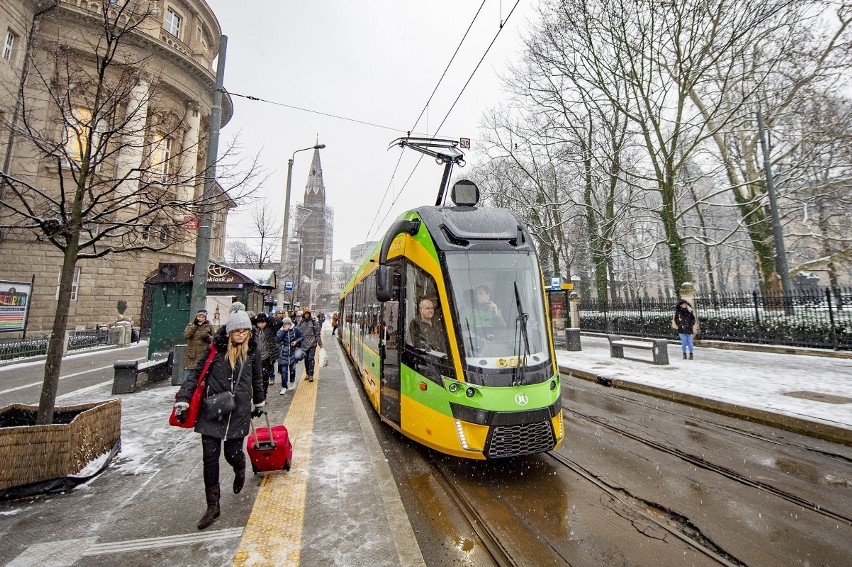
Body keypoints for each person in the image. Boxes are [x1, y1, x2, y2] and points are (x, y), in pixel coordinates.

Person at [174, 303, 265, 530]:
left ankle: (240, 466)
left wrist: (260, 402)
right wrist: (183, 397)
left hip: (238, 411)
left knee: (233, 453)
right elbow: (197, 373)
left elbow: (257, 379)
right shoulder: (215, 349)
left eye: (244, 331)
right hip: (212, 410)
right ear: (229, 332)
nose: (241, 334)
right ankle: (212, 506)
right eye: (237, 331)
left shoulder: (252, 350)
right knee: (210, 459)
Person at [182, 309, 215, 377]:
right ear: (196, 317)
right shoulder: (191, 325)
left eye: (203, 317)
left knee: (202, 375)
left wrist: (208, 337)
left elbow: (214, 339)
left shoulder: (209, 326)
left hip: (203, 353)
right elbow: (186, 335)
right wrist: (194, 325)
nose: (201, 319)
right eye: (199, 317)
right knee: (189, 374)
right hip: (192, 354)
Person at [276, 316, 304, 394]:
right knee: (284, 371)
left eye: (288, 323)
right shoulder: (280, 330)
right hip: (283, 353)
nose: (286, 325)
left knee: (292, 369)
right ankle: (284, 386)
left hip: (292, 353)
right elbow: (277, 339)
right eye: (285, 324)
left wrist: (296, 341)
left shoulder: (295, 330)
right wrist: (284, 331)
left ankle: (292, 381)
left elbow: (302, 336)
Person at [297, 307, 323, 382]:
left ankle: (311, 375)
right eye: (305, 314)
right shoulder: (301, 322)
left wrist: (320, 343)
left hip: (312, 343)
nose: (307, 315)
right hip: (303, 344)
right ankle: (307, 373)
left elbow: (317, 334)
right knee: (306, 359)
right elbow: (297, 332)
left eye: (308, 314)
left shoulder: (314, 322)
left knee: (311, 359)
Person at [252, 312, 273, 396]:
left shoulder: (269, 329)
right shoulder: (254, 331)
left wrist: (268, 318)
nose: (261, 325)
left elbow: (278, 322)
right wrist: (254, 318)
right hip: (256, 357)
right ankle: (257, 395)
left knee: (265, 377)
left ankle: (263, 394)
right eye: (259, 322)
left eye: (263, 322)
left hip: (267, 356)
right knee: (256, 377)